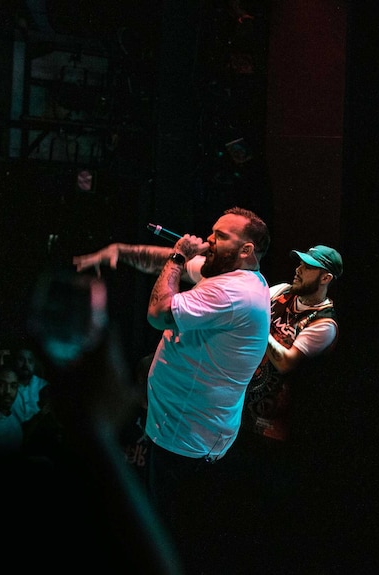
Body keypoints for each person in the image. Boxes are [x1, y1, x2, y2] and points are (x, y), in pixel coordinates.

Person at [72, 206, 271, 575]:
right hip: (178, 429)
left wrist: (180, 255)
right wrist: (120, 251)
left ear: (246, 250)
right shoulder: (226, 274)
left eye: (220, 236)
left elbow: (159, 311)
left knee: (170, 543)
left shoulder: (235, 293)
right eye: (212, 232)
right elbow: (163, 260)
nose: (210, 240)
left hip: (186, 443)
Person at [217, 244, 343, 573]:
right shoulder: (282, 292)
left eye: (308, 267)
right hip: (242, 415)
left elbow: (286, 362)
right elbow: (250, 302)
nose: (299, 269)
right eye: (299, 262)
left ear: (326, 277)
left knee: (264, 513)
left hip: (279, 431)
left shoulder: (324, 324)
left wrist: (256, 324)